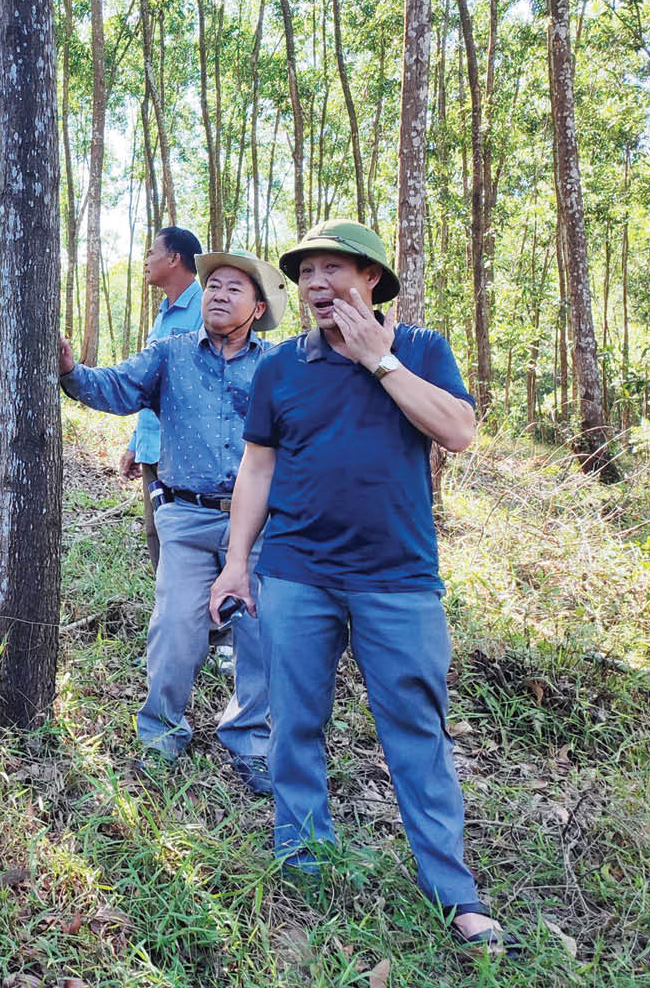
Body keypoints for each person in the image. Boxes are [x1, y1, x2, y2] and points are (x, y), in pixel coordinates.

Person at [208, 220, 516, 953]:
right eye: (305, 272)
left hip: (398, 579)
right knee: (296, 721)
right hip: (296, 574)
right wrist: (235, 560)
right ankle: (302, 860)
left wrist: (382, 364)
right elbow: (257, 469)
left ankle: (452, 891)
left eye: (332, 269)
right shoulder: (281, 368)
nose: (316, 284)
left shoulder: (421, 350)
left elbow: (459, 431)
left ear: (371, 278)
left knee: (416, 731)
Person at [60, 251, 290, 796]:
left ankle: (248, 741)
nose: (218, 293)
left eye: (234, 288)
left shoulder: (278, 366)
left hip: (258, 524)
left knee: (258, 635)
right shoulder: (171, 354)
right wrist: (70, 370)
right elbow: (114, 387)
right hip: (185, 516)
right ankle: (162, 733)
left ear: (258, 308)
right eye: (213, 285)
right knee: (176, 629)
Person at [123, 226, 205, 570]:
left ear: (174, 259)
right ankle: (170, 618)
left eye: (151, 252)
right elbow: (149, 384)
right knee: (155, 533)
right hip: (153, 447)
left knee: (187, 539)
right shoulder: (162, 313)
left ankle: (207, 623)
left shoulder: (205, 306)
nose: (146, 261)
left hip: (188, 451)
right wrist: (135, 443)